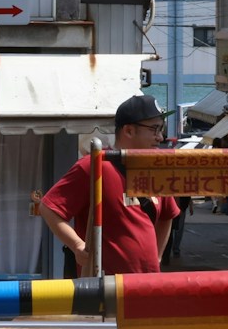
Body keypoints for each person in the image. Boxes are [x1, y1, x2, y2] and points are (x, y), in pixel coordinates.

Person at [39, 94, 180, 276]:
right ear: (128, 131)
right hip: (105, 289)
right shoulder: (93, 166)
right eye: (154, 129)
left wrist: (157, 258)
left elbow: (168, 215)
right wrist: (77, 246)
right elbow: (49, 208)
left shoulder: (155, 170)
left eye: (161, 129)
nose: (160, 137)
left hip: (147, 286)